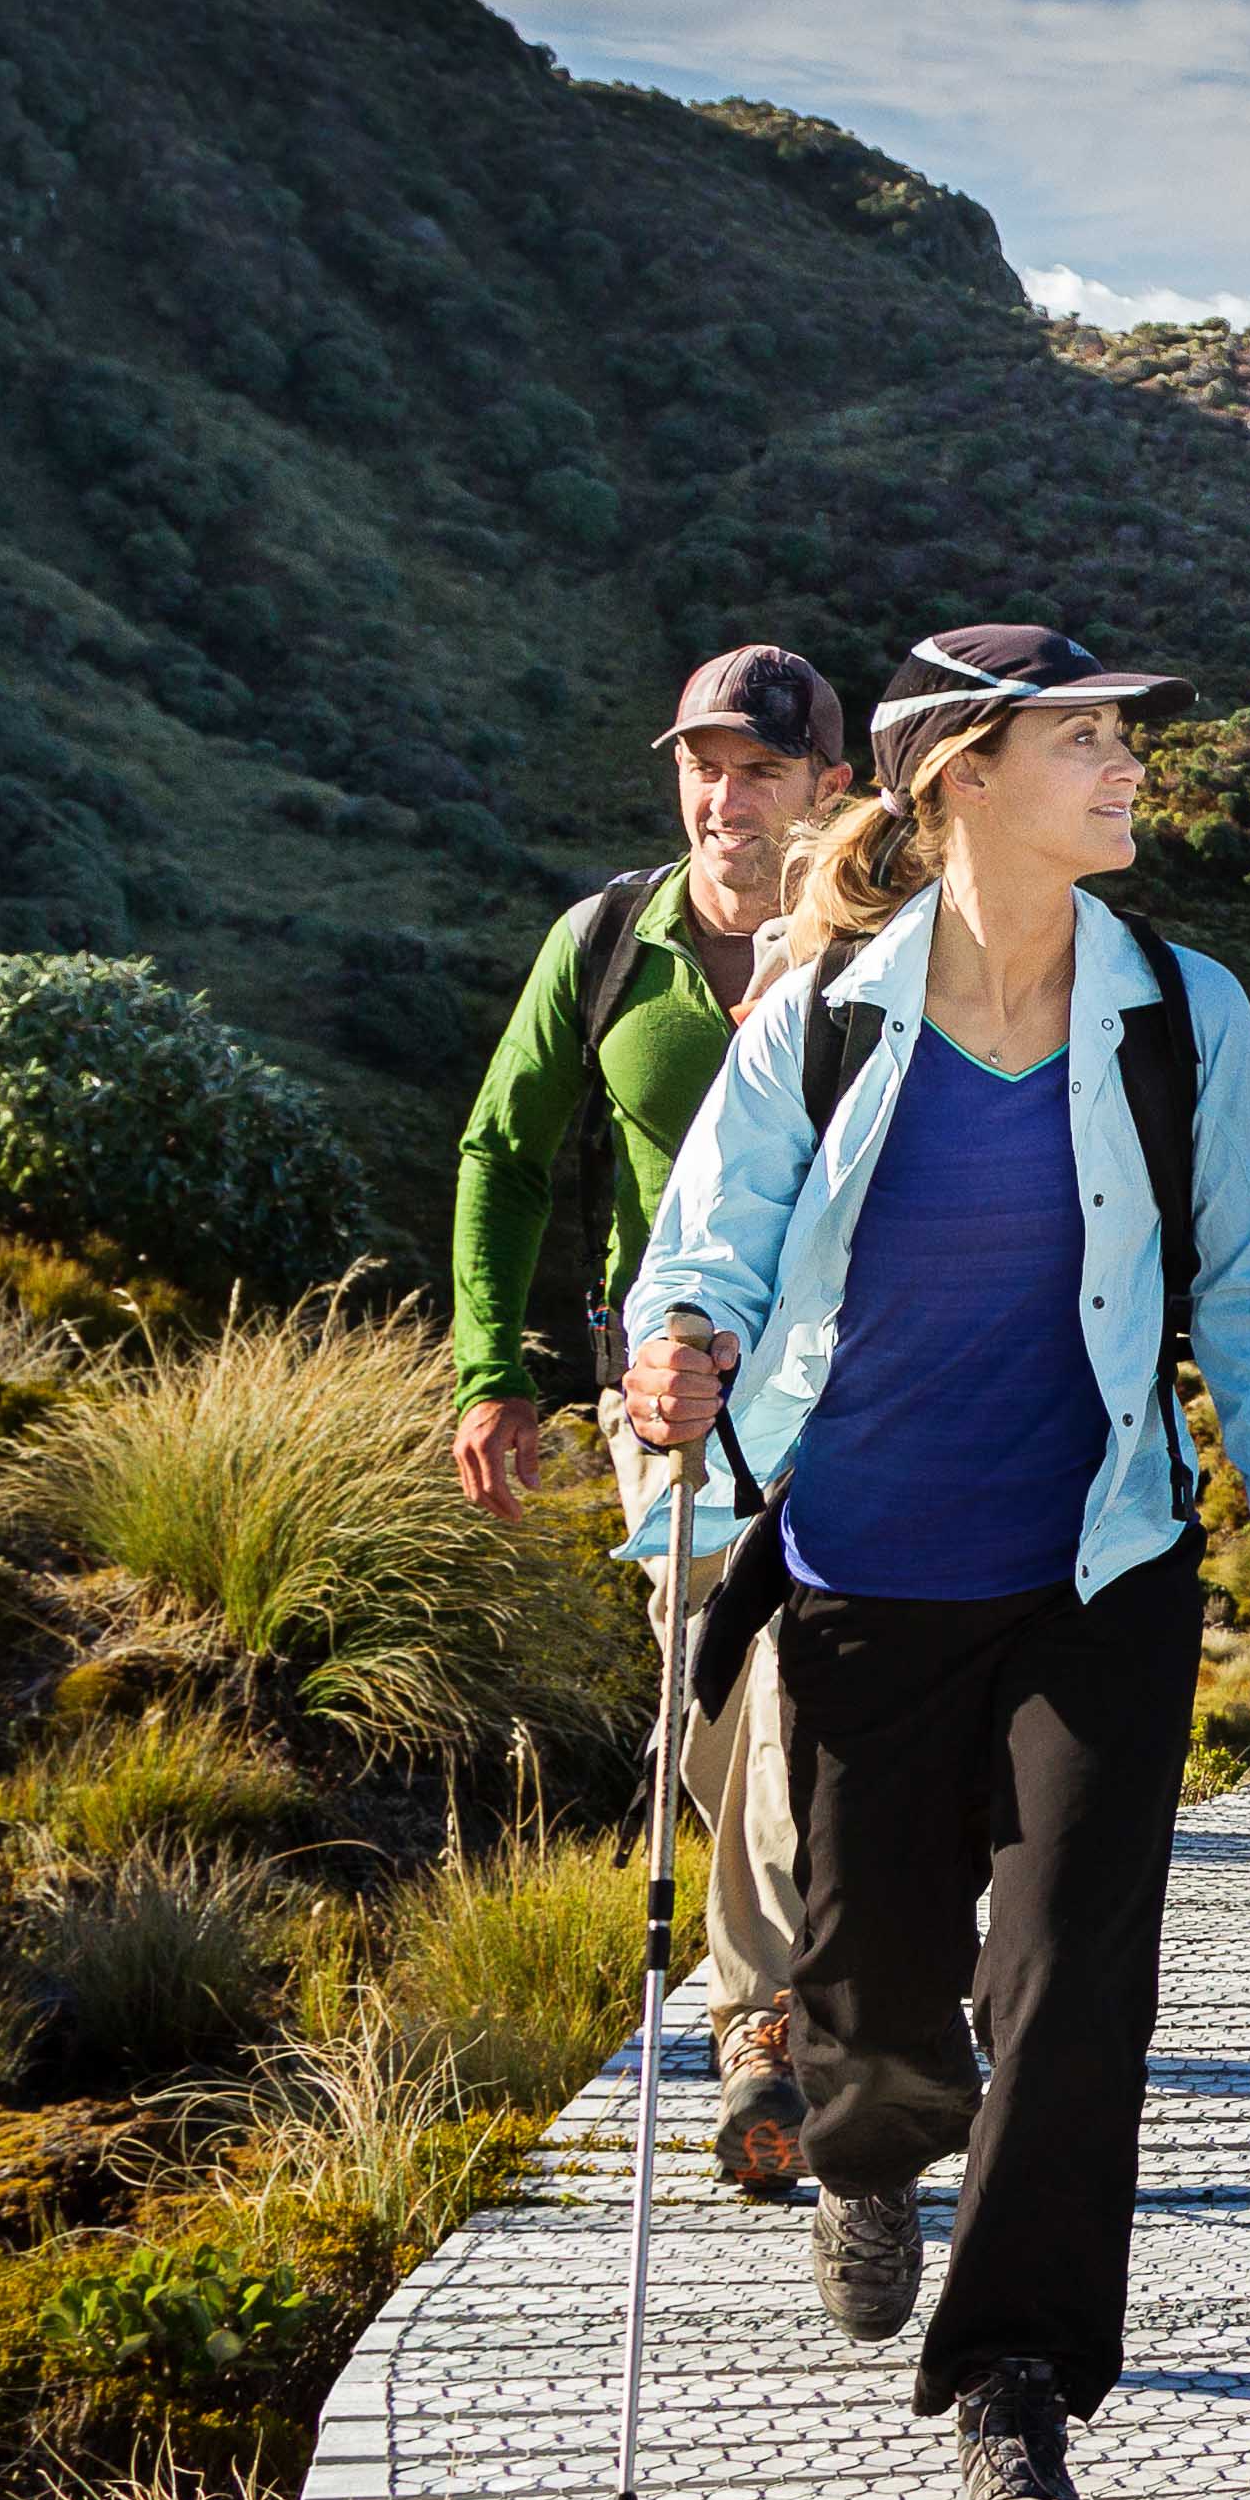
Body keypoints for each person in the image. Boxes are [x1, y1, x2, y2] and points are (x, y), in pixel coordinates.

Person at [617, 622, 1250, 2500]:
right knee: (875, 2001)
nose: (1128, 770)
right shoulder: (824, 1026)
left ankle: (1014, 2396)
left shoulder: (1184, 1018)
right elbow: (697, 1259)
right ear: (961, 777)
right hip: (862, 1577)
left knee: (1069, 1983)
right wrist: (674, 1348)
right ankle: (866, 2149)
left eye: (1126, 734)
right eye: (1086, 741)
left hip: (1097, 1572)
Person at [448, 646, 849, 2191]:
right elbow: (506, 1147)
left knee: (810, 1671)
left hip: (855, 1384)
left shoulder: (885, 946)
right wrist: (493, 1365)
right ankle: (795, 1990)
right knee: (717, 1667)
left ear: (827, 786)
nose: (721, 796)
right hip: (667, 1387)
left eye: (757, 767)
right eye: (701, 763)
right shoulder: (610, 942)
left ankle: (766, 2020)